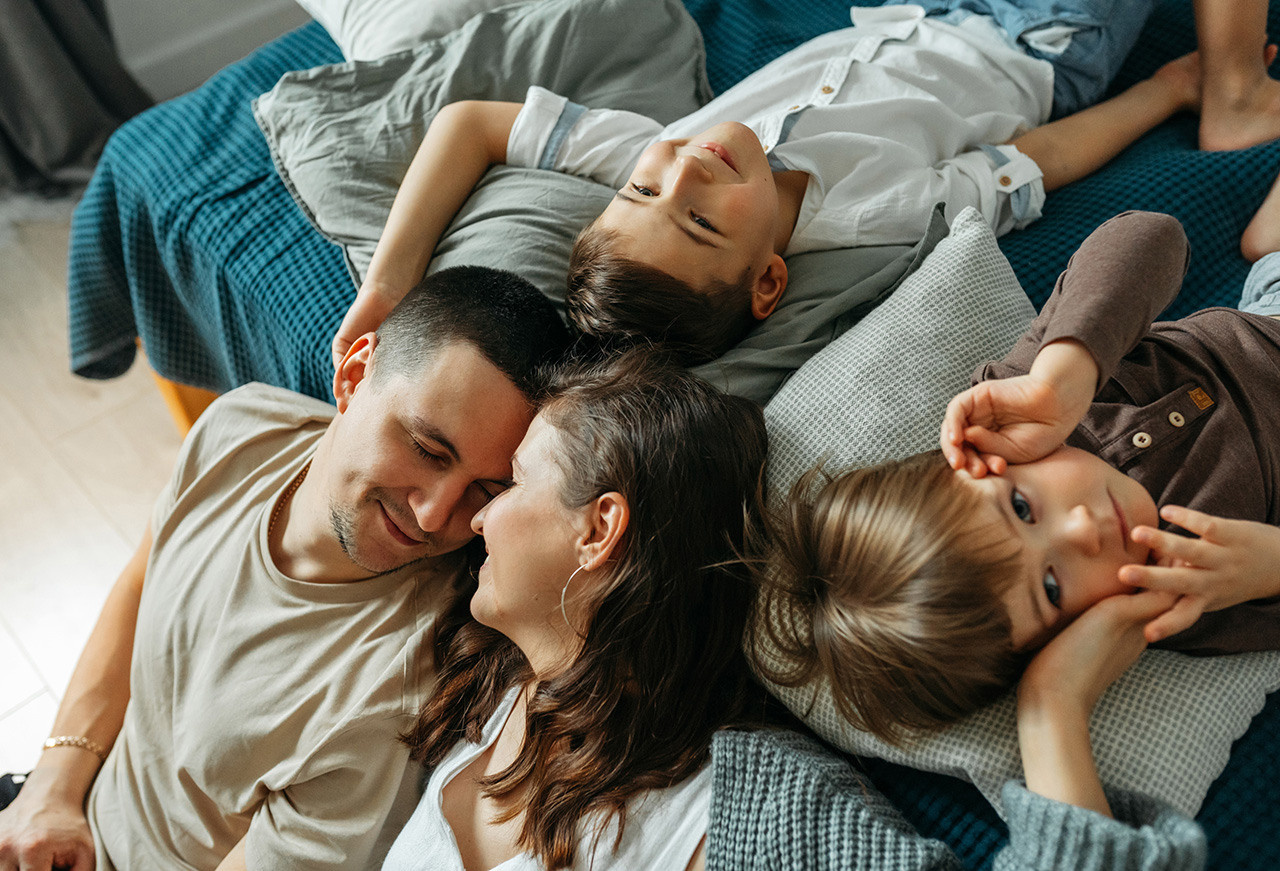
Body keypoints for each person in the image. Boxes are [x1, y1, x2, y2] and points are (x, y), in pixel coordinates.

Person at [380, 348, 1209, 871]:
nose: (477, 516)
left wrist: (1052, 710)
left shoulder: (761, 812)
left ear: (600, 528)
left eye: (515, 478)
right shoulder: (486, 693)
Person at [0, 266, 569, 870]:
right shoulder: (239, 427)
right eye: (427, 450)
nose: (434, 516)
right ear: (354, 375)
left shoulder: (390, 691)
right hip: (64, 792)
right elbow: (142, 583)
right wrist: (53, 787)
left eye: (484, 491)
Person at [333, 0, 1220, 366]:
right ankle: (1242, 89)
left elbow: (469, 126)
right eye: (703, 221)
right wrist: (1167, 91)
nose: (684, 173)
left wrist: (387, 287)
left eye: (640, 193)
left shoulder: (663, 152)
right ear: (768, 280)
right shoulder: (890, 217)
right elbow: (1043, 158)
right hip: (1043, 40)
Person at [759, 210, 1280, 746]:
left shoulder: (1030, 407)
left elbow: (1154, 236)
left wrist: (1065, 378)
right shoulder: (1185, 592)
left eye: (1023, 509)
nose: (1083, 530)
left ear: (977, 457)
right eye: (1052, 588)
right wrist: (1268, 565)